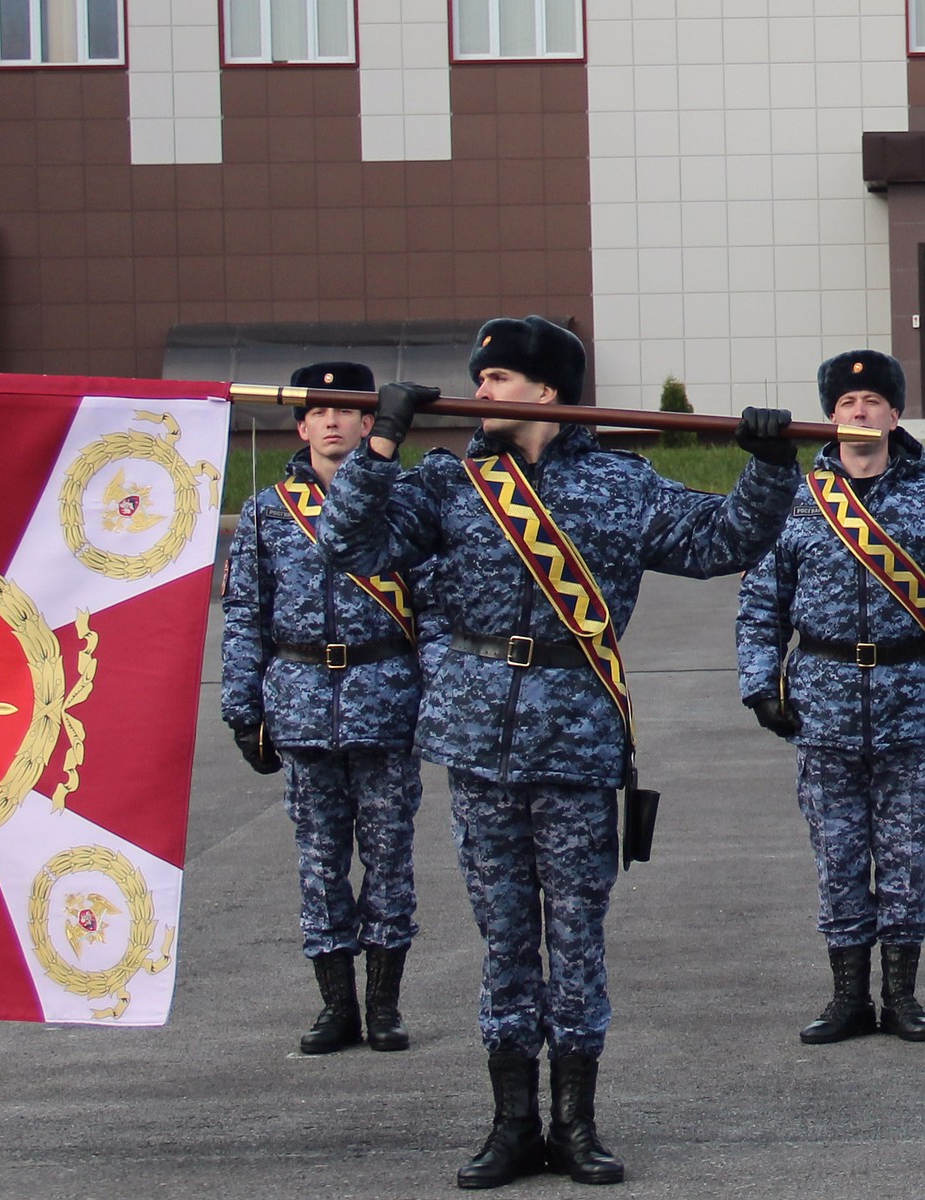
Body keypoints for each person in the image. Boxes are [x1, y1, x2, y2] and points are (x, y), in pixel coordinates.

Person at [314, 317, 800, 1189]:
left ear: (546, 391)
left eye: (497, 378)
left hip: (578, 737)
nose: (483, 391)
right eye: (481, 379)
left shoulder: (621, 481)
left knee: (576, 938)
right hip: (479, 741)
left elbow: (723, 541)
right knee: (503, 940)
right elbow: (347, 545)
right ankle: (510, 1124)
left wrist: (767, 468)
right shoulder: (451, 483)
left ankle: (577, 1124)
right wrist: (381, 441)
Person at [220, 361, 424, 1055]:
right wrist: (243, 707)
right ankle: (336, 1004)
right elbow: (245, 615)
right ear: (301, 425)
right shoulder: (266, 512)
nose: (333, 421)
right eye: (319, 410)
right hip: (302, 706)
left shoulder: (405, 500)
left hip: (386, 702)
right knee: (319, 862)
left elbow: (430, 614)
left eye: (348, 408)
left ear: (371, 421)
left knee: (390, 858)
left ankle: (385, 1006)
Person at [737, 348, 925, 1047]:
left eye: (873, 399)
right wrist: (760, 682)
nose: (859, 409)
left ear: (894, 412)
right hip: (824, 703)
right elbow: (760, 602)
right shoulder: (795, 499)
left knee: (909, 859)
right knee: (839, 856)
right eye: (847, 403)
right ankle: (848, 996)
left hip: (913, 701)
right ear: (830, 417)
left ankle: (903, 997)